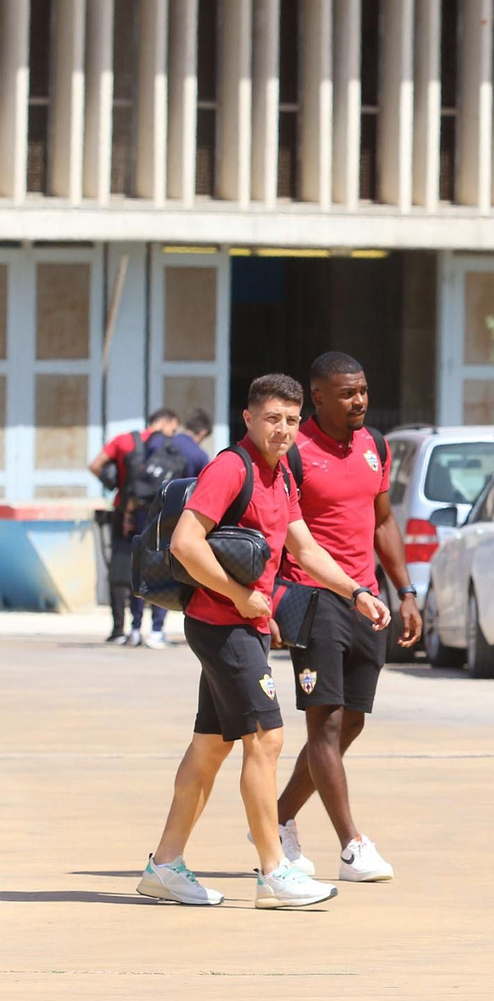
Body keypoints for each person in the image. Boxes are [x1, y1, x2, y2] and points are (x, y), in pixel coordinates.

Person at [136, 373, 391, 909]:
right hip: (222, 624)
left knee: (211, 745)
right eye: (273, 418)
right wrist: (240, 595)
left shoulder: (281, 476)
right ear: (248, 418)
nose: (283, 430)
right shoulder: (232, 468)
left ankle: (164, 866)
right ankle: (274, 873)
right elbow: (185, 543)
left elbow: (306, 549)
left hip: (242, 623)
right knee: (266, 738)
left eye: (292, 421)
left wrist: (356, 592)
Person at [265, 352, 422, 883]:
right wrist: (268, 602)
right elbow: (274, 530)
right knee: (326, 722)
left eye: (363, 390)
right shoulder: (294, 452)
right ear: (319, 397)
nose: (359, 401)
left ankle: (276, 818)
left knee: (351, 721)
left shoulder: (375, 445)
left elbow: (383, 522)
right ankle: (352, 845)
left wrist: (405, 591)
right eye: (348, 393)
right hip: (313, 600)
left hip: (366, 600)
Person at [88, 409, 181, 645]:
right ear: (166, 422)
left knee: (123, 571)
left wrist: (115, 484)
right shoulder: (170, 446)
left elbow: (96, 465)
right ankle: (157, 630)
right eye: (173, 428)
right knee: (160, 569)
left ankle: (123, 629)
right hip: (159, 516)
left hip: (126, 514)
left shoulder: (124, 441)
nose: (173, 433)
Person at [134, 414, 213, 649]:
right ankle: (157, 630)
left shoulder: (160, 441)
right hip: (175, 520)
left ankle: (135, 628)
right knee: (165, 572)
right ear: (202, 433)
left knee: (141, 567)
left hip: (145, 513)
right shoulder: (198, 455)